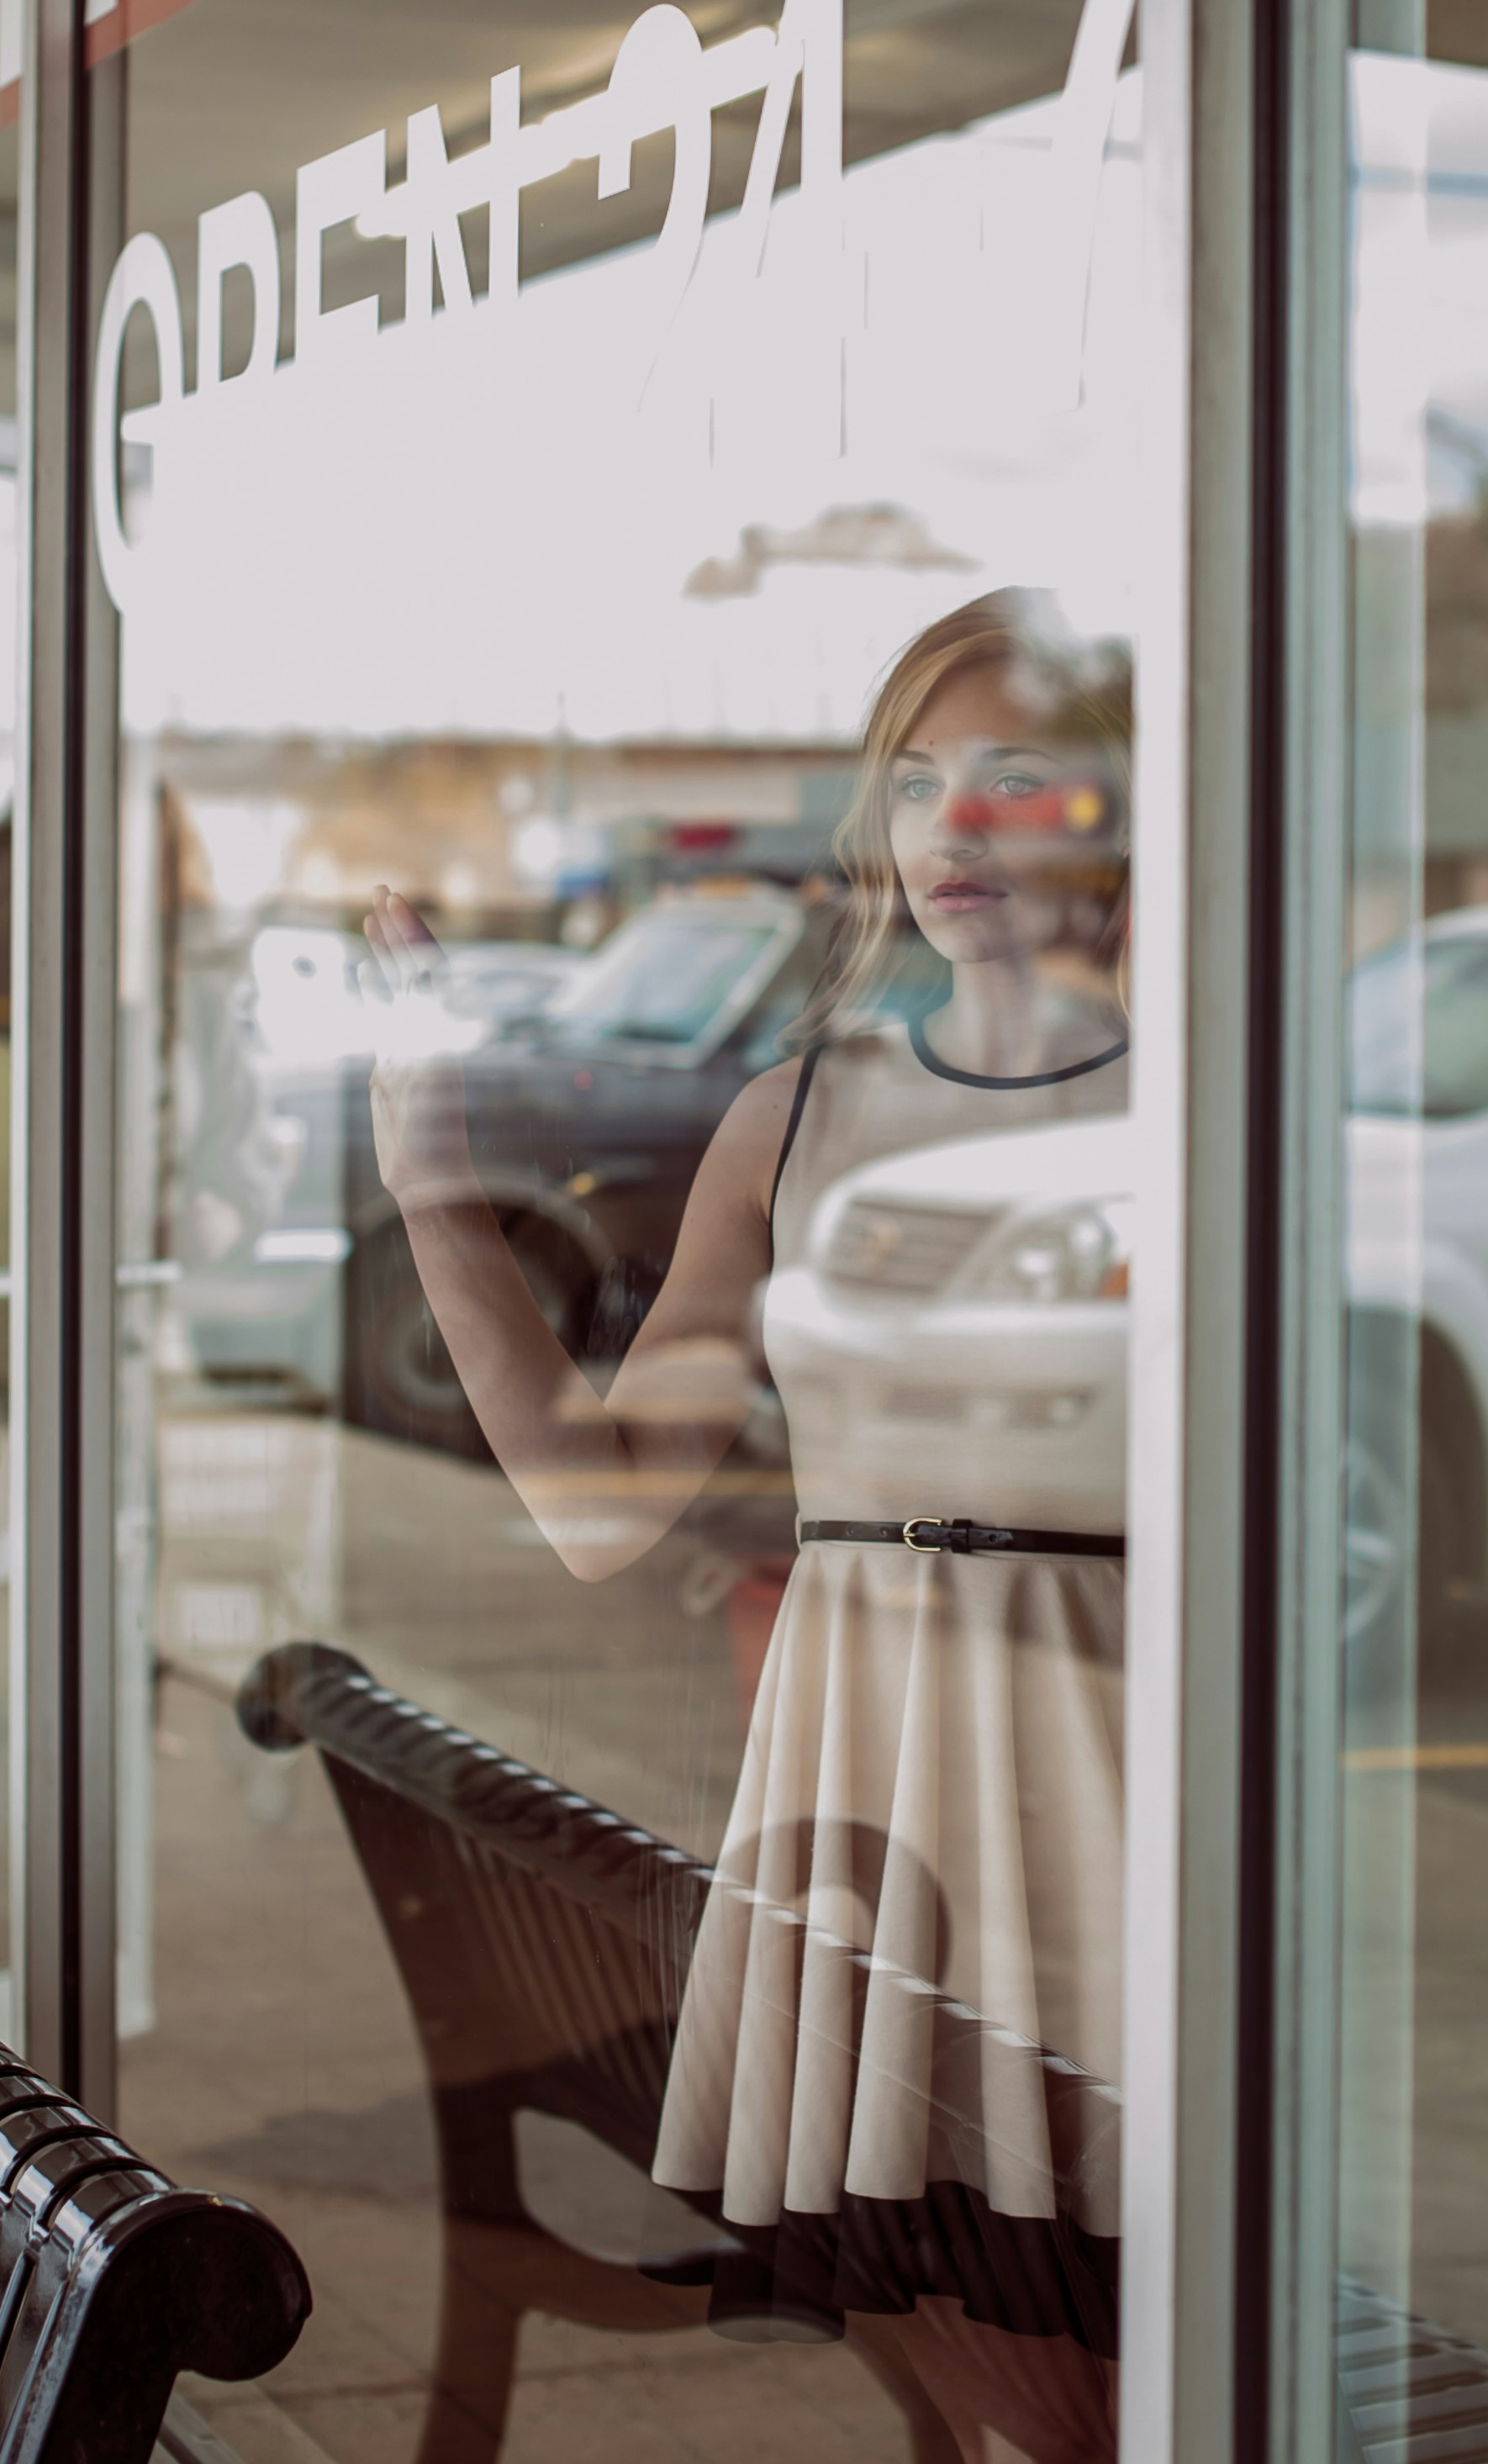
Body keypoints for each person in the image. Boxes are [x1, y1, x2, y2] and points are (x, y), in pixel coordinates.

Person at [364, 589, 1132, 2464]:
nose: (953, 828)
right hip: (874, 1797)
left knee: (1148, 2330)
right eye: (918, 783)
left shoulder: (1229, 1104)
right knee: (989, 2353)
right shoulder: (796, 1114)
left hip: (1126, 1774)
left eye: (1017, 780)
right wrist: (437, 1190)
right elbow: (596, 1506)